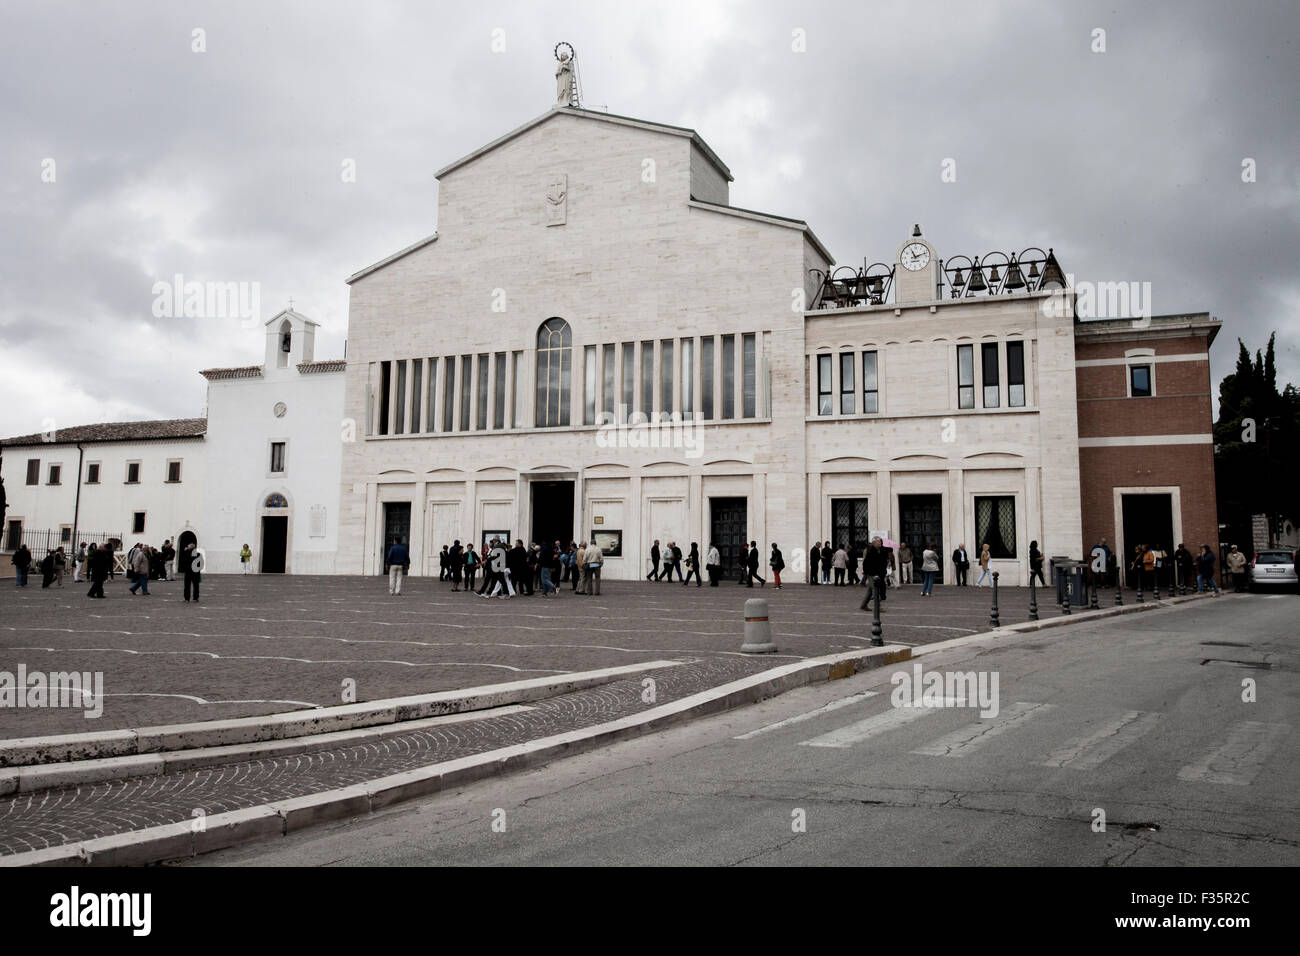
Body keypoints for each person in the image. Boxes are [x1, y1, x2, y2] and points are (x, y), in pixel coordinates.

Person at [860, 539, 888, 613]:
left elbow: (882, 561)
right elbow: (865, 563)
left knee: (870, 591)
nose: (880, 543)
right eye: (879, 542)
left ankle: (863, 605)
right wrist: (867, 572)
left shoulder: (880, 550)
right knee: (875, 590)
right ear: (874, 543)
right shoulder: (871, 551)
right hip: (872, 574)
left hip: (877, 573)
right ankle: (878, 607)